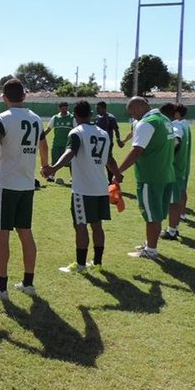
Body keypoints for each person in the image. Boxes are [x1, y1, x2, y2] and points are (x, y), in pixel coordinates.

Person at [0, 78, 48, 299]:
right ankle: (28, 283)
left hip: (5, 186)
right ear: (24, 96)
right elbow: (43, 144)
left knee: (1, 236)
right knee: (26, 233)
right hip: (26, 186)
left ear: (4, 97)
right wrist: (45, 165)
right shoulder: (36, 119)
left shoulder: (2, 119)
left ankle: (1, 288)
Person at [43, 100, 122, 272]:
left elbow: (70, 152)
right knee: (97, 226)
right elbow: (109, 158)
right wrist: (117, 174)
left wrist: (53, 168)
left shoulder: (77, 132)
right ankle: (98, 263)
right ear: (91, 114)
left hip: (82, 190)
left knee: (80, 225)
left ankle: (80, 265)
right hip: (101, 187)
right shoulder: (103, 133)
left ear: (76, 115)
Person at [117, 97, 176, 260]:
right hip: (166, 174)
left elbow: (137, 151)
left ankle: (151, 250)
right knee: (156, 214)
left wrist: (118, 171)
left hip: (150, 176)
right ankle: (150, 243)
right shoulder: (164, 119)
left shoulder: (147, 123)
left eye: (133, 113)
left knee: (151, 215)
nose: (133, 117)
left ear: (140, 107)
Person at [160, 103, 192, 240]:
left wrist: (167, 155)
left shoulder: (176, 126)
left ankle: (172, 230)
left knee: (173, 201)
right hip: (181, 167)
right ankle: (176, 225)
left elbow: (176, 141)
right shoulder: (185, 125)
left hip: (174, 168)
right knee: (178, 196)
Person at [43, 101, 74, 183]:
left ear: (68, 108)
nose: (64, 110)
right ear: (59, 109)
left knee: (71, 162)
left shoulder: (72, 118)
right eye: (62, 108)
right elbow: (48, 129)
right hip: (56, 144)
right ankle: (51, 176)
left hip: (68, 145)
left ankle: (73, 177)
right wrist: (41, 137)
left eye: (65, 108)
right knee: (54, 160)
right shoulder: (55, 118)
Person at [94, 101, 123, 183]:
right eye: (96, 108)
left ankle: (112, 178)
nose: (97, 110)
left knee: (108, 159)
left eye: (98, 108)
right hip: (98, 143)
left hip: (107, 143)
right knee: (101, 160)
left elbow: (116, 130)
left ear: (104, 108)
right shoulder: (97, 117)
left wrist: (118, 140)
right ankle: (110, 177)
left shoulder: (110, 117)